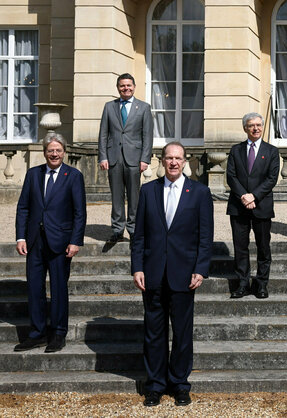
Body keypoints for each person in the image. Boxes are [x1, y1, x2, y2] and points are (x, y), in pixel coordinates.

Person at [131, 142, 213, 407]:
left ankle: (179, 384)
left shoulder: (199, 193)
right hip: (153, 272)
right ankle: (154, 385)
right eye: (169, 158)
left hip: (184, 274)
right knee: (153, 332)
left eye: (178, 158)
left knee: (181, 333)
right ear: (162, 161)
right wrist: (137, 266)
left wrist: (201, 269)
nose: (174, 162)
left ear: (185, 161)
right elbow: (139, 235)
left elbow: (205, 236)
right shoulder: (148, 191)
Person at [14, 133, 87, 353]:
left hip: (61, 243)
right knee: (34, 289)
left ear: (64, 152)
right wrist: (20, 236)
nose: (54, 154)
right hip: (35, 242)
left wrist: (75, 241)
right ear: (44, 152)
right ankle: (36, 333)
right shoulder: (33, 175)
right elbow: (23, 208)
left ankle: (57, 333)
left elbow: (79, 212)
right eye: (50, 150)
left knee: (58, 289)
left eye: (58, 150)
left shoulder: (73, 176)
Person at [226, 113, 280, 299]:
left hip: (261, 205)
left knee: (263, 247)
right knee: (240, 247)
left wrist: (253, 196)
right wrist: (243, 196)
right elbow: (231, 177)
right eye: (251, 125)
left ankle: (261, 284)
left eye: (258, 125)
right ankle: (243, 284)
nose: (256, 128)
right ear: (245, 128)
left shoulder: (272, 151)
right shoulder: (235, 150)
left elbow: (272, 178)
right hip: (238, 206)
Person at [98, 73, 153, 243]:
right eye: (122, 86)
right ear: (118, 88)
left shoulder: (143, 107)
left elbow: (147, 135)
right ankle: (117, 229)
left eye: (129, 85)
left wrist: (145, 159)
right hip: (114, 158)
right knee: (116, 195)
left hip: (135, 159)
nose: (126, 88)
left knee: (134, 196)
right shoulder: (109, 107)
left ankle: (134, 229)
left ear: (134, 87)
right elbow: (103, 135)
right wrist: (103, 157)